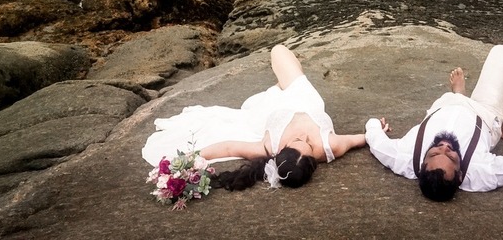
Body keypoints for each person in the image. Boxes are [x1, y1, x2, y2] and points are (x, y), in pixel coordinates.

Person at [141, 44, 366, 190]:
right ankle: (281, 85)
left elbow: (228, 147)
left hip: (273, 109)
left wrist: (189, 160)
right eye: (308, 143)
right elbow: (361, 138)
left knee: (278, 52)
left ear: (282, 149)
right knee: (279, 51)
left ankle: (278, 88)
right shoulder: (331, 146)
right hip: (303, 95)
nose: (305, 137)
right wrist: (376, 130)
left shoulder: (268, 146)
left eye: (300, 141)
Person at [364, 44, 503, 201]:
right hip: (484, 114)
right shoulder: (481, 171)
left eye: (434, 153)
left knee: (453, 100)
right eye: (451, 157)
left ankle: (458, 95)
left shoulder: (403, 157)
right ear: (460, 176)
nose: (444, 146)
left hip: (447, 104)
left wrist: (375, 125)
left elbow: (375, 141)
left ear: (421, 166)